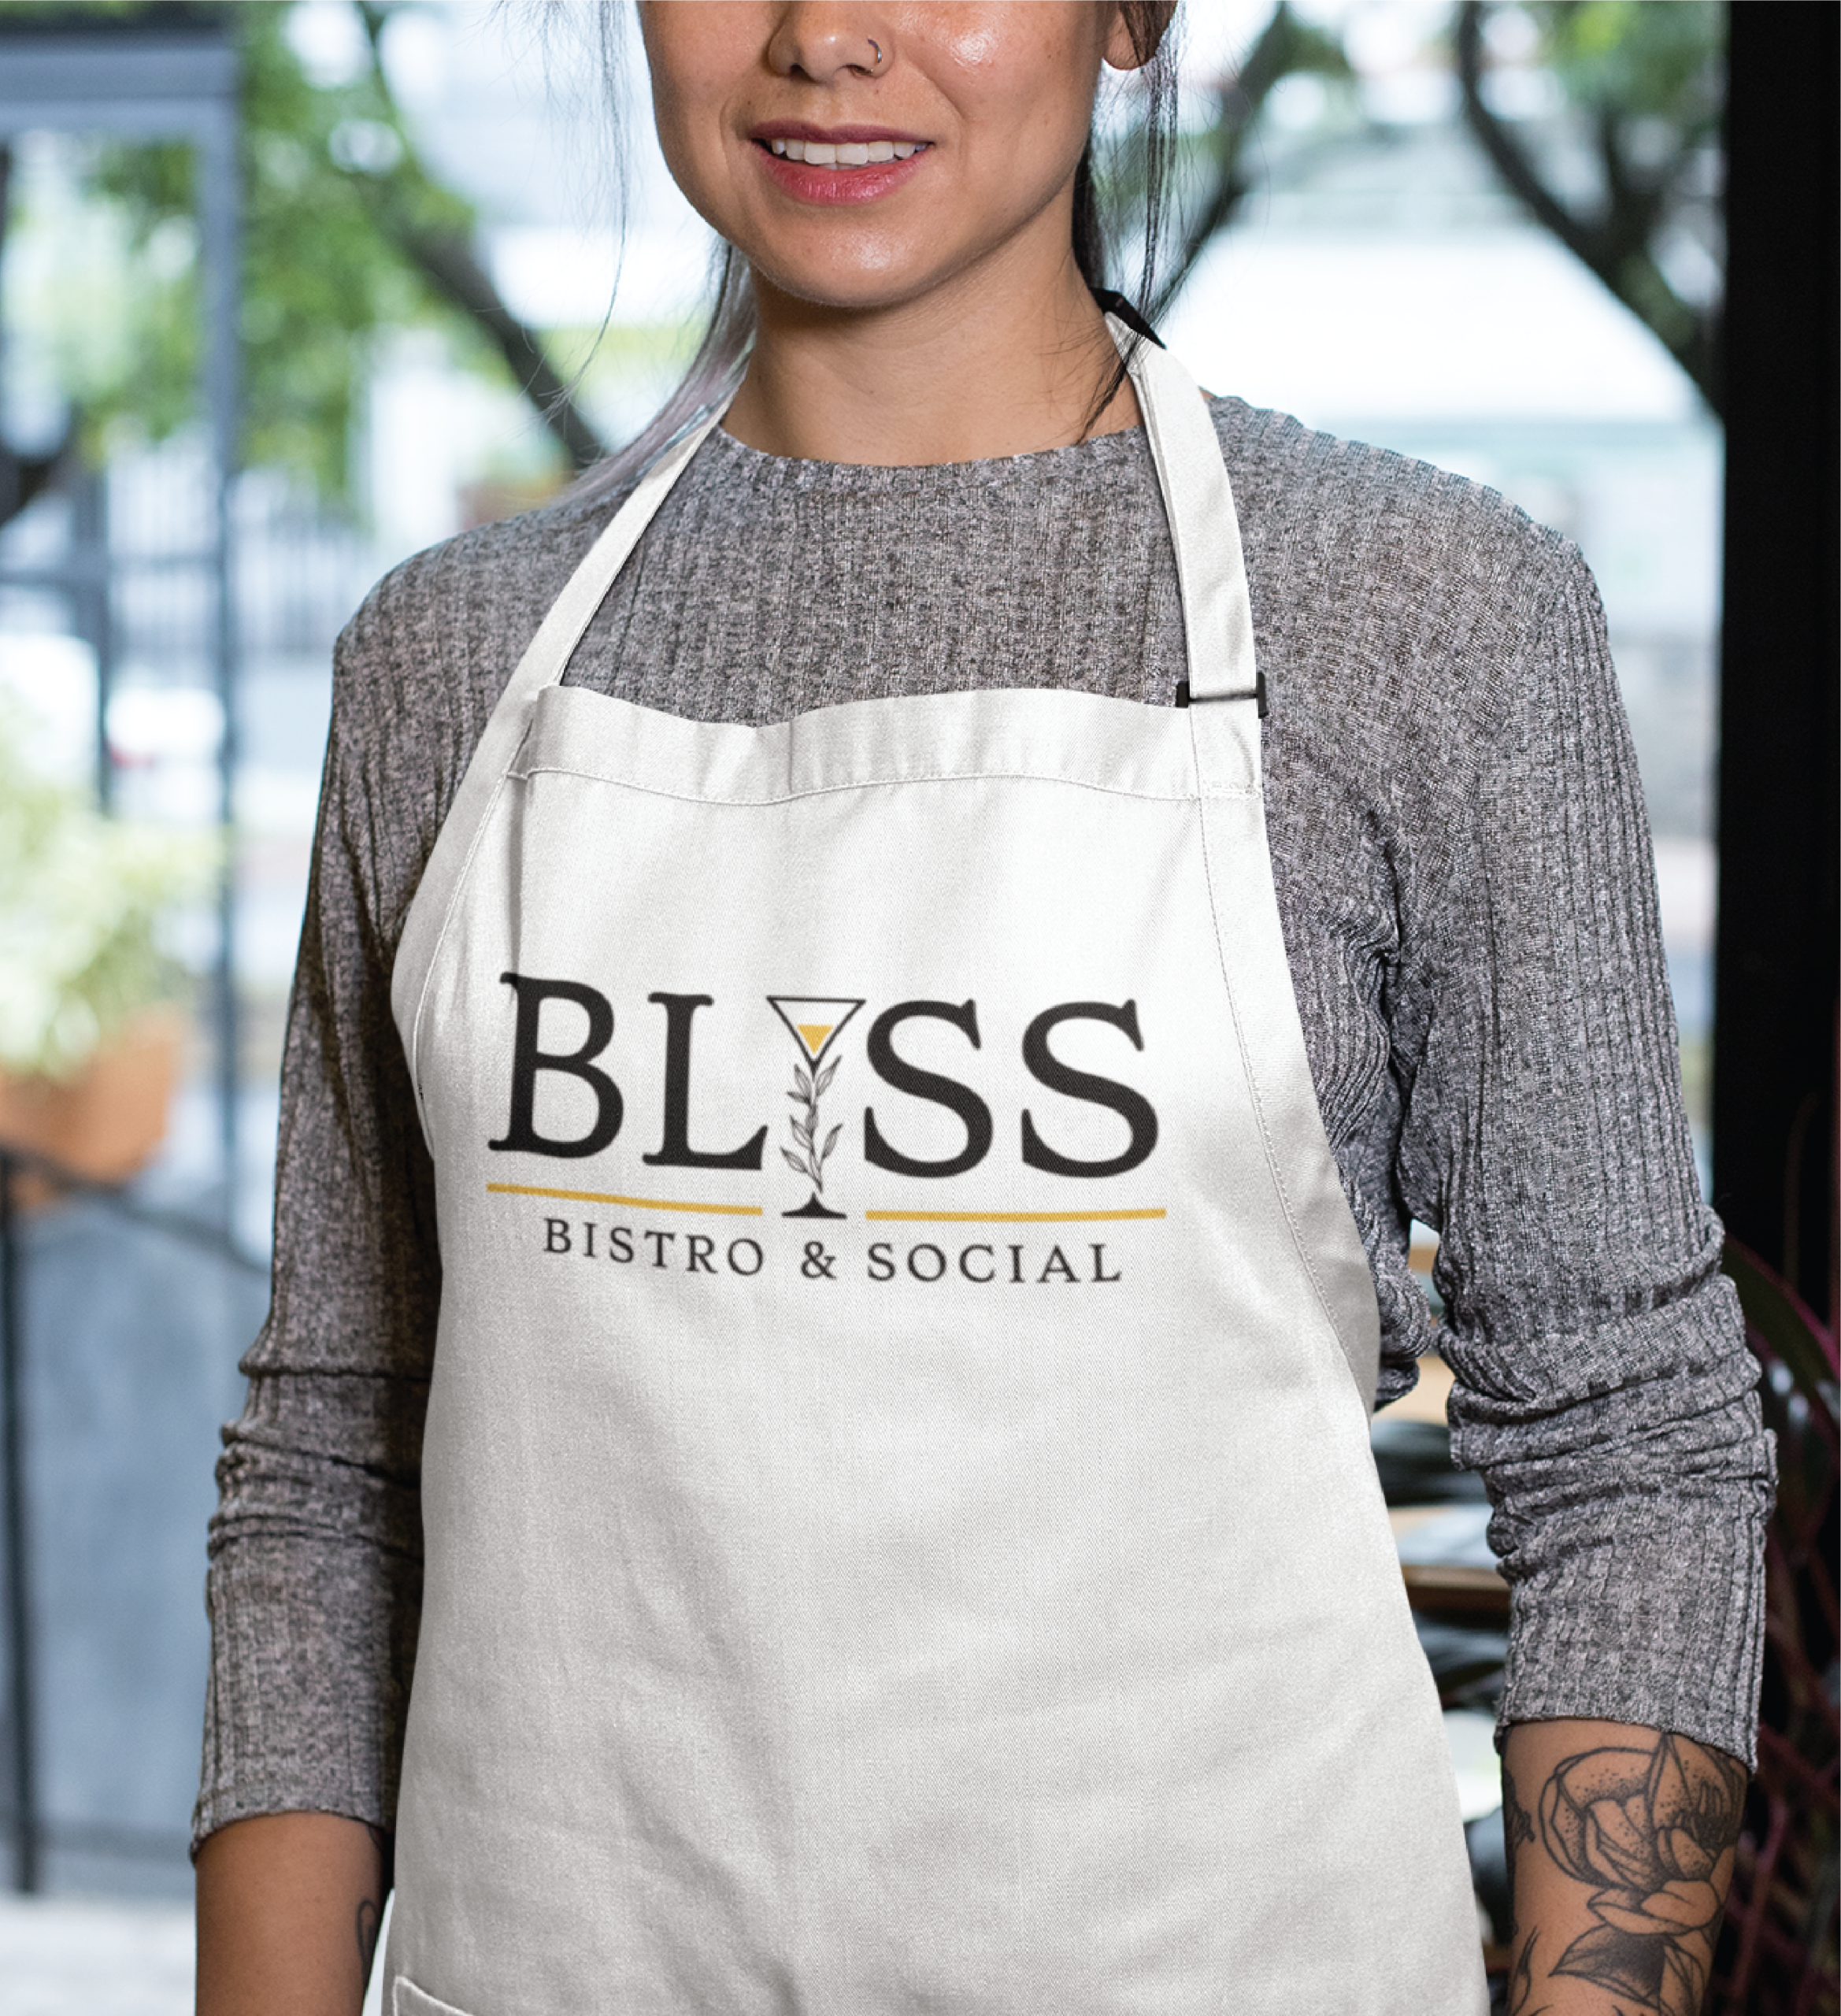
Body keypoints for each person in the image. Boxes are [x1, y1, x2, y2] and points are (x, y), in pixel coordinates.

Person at [193, 3, 1773, 2012]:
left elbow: (1626, 1444)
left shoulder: (1424, 622)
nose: (821, 38)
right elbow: (333, 1464)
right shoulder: (440, 662)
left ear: (1131, 19)